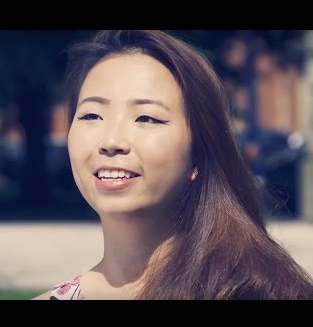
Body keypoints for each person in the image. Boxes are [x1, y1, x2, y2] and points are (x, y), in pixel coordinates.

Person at [33, 30, 313, 300]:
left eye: (146, 118)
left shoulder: (260, 292)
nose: (111, 140)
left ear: (198, 154)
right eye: (91, 115)